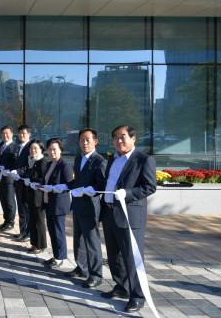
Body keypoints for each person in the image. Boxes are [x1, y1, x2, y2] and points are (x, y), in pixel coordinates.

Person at [100, 126, 156, 313]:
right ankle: (122, 287)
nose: (119, 141)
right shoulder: (112, 159)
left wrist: (129, 193)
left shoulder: (144, 160)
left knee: (132, 258)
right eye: (115, 137)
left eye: (123, 137)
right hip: (109, 213)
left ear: (133, 138)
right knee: (114, 255)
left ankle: (137, 296)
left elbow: (149, 187)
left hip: (130, 216)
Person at [62, 129, 106, 289]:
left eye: (87, 140)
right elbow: (77, 181)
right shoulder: (78, 158)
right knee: (78, 239)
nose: (84, 143)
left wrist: (90, 190)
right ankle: (82, 267)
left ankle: (96, 275)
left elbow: (101, 185)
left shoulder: (100, 161)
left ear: (95, 141)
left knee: (92, 241)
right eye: (82, 140)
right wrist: (64, 187)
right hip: (78, 204)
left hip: (90, 206)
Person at [42, 138, 73, 268]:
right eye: (49, 149)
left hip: (59, 204)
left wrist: (55, 188)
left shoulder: (65, 165)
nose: (51, 151)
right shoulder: (49, 164)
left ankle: (61, 257)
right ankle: (56, 255)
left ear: (61, 150)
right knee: (52, 230)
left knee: (58, 231)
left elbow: (69, 184)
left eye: (54, 149)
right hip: (48, 202)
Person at [0, 126, 19, 232]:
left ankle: (11, 222)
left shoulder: (15, 147)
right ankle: (6, 220)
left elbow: (16, 162)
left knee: (9, 200)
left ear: (12, 134)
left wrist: (10, 170)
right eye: (3, 133)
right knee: (3, 199)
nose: (5, 135)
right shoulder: (1, 145)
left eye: (7, 133)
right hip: (0, 176)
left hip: (9, 178)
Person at [23, 140, 47, 254]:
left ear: (41, 149)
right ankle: (34, 243)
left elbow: (44, 180)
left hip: (39, 197)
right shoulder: (31, 161)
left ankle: (40, 245)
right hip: (31, 196)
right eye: (31, 148)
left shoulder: (42, 162)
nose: (33, 150)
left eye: (35, 148)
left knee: (39, 222)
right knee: (32, 221)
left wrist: (32, 181)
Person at [13, 125, 33, 242]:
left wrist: (18, 172)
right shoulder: (20, 146)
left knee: (26, 208)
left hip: (26, 181)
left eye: (24, 133)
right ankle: (22, 231)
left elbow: (29, 165)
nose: (21, 135)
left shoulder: (31, 147)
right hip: (18, 181)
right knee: (21, 208)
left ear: (29, 134)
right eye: (20, 133)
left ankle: (28, 233)